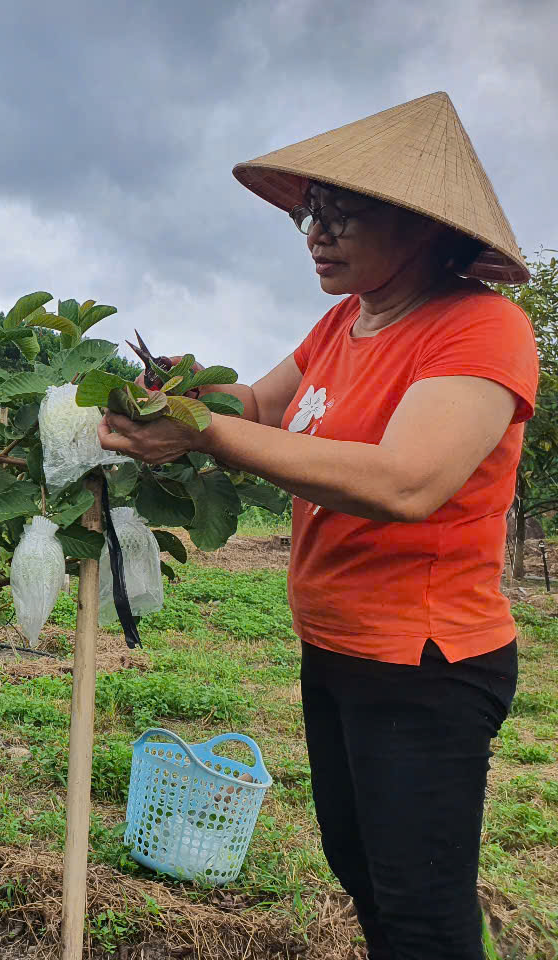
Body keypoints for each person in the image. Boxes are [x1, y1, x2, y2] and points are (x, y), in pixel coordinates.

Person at [98, 92, 537, 960]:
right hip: (335, 645)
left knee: (421, 907)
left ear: (421, 224)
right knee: (361, 868)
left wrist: (207, 431)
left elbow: (409, 482)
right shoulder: (347, 319)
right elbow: (260, 403)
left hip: (424, 663)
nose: (316, 234)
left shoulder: (483, 329)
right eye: (308, 213)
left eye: (341, 213)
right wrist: (185, 395)